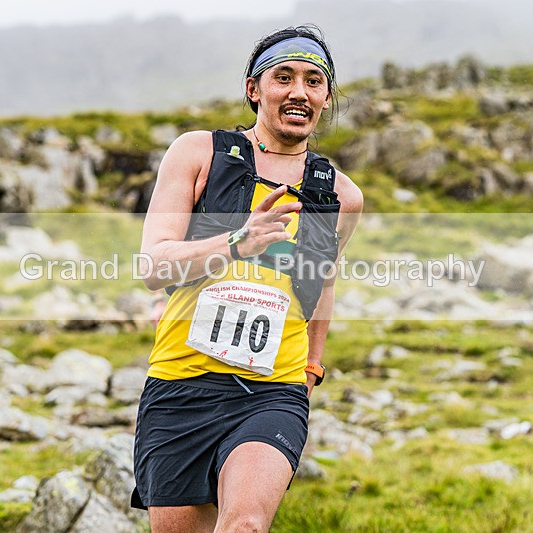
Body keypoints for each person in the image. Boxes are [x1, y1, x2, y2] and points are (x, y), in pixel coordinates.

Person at [132, 24, 363, 532]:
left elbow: (322, 283)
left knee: (245, 525)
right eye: (284, 77)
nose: (299, 92)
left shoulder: (341, 195)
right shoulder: (198, 154)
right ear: (253, 89)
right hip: (180, 385)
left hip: (272, 392)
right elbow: (154, 266)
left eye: (314, 81)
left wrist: (310, 370)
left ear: (326, 98)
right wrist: (238, 241)